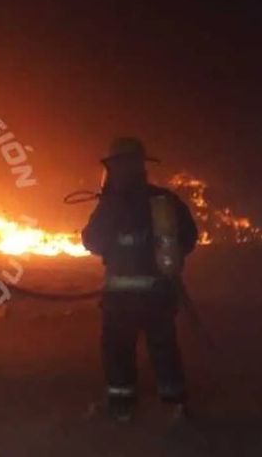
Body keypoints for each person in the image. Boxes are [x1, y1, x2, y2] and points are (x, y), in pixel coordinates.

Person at [82, 137, 198, 422]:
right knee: (164, 348)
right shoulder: (164, 200)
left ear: (113, 168)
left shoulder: (110, 206)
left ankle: (122, 407)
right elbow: (189, 237)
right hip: (158, 295)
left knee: (118, 351)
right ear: (142, 167)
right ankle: (175, 404)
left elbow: (92, 242)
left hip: (120, 300)